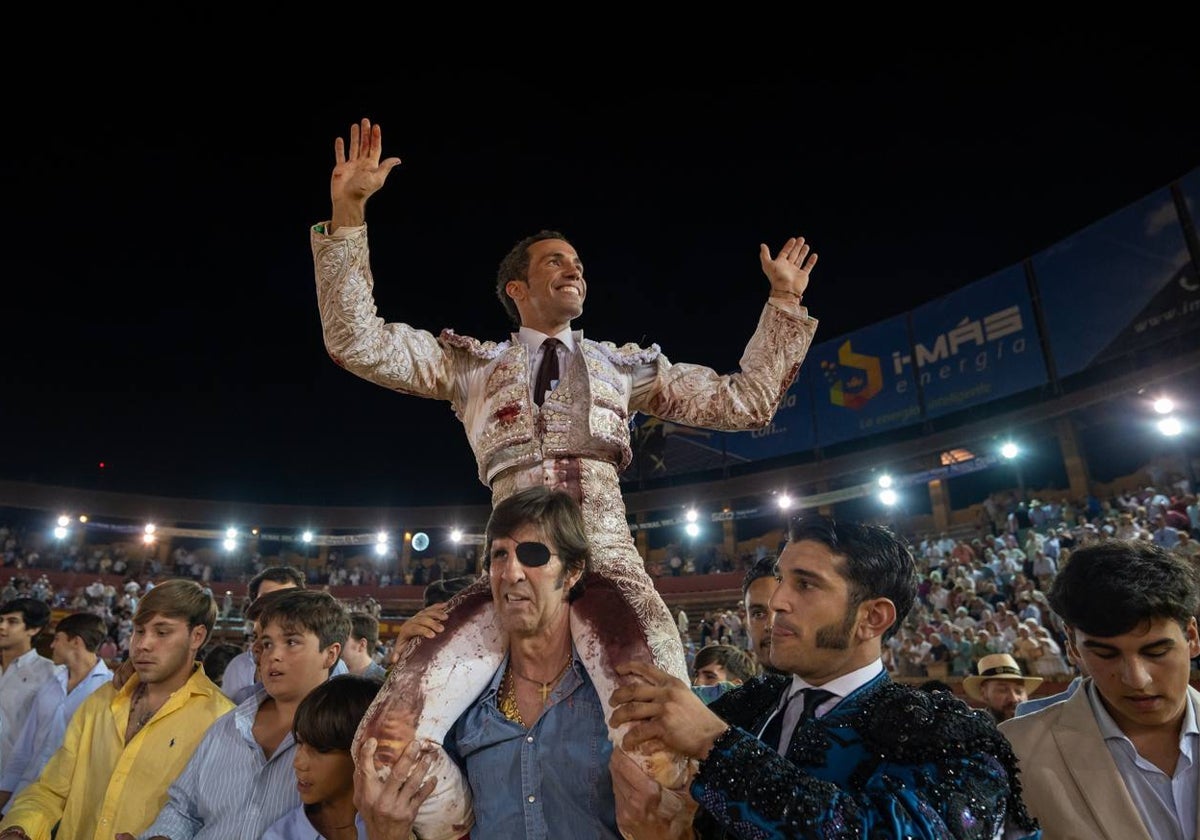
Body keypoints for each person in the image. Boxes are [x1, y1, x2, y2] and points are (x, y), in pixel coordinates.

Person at [312, 118, 820, 819]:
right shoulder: (472, 366)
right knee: (386, 748)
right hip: (509, 574)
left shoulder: (626, 367)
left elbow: (748, 399)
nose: (574, 268)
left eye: (578, 261)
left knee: (661, 750)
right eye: (556, 261)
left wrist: (785, 304)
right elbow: (355, 341)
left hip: (606, 560)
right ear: (516, 288)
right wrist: (349, 215)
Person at [608, 513, 1042, 839]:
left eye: (806, 584)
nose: (776, 601)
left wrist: (716, 745)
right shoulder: (744, 707)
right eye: (781, 580)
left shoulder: (949, 734)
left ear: (872, 618)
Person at [356, 485, 689, 839]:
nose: (511, 572)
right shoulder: (462, 702)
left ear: (572, 571)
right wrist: (406, 670)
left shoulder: (619, 695)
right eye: (499, 555)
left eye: (533, 554)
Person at [0, 580, 234, 840]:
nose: (142, 644)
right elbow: (51, 789)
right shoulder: (102, 700)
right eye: (139, 631)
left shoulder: (221, 720)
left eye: (162, 632)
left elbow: (217, 824)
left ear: (197, 636)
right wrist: (20, 829)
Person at [999, 539, 1200, 839]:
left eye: (1156, 652)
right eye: (1106, 654)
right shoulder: (1013, 753)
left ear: (1193, 637)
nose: (1137, 679)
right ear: (1072, 646)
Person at [138, 589, 352, 840]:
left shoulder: (349, 738)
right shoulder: (228, 725)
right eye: (267, 644)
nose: (274, 655)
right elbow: (183, 809)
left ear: (330, 653)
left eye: (292, 642)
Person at [0, 612, 112, 812]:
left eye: (57, 639)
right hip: (24, 795)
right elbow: (25, 747)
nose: (51, 645)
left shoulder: (109, 689)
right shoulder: (50, 684)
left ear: (75, 642)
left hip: (67, 805)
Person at [262, 674, 383, 840]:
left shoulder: (403, 825)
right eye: (300, 743)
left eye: (320, 749)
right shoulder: (282, 835)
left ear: (366, 751)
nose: (298, 763)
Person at [219, 565, 306, 700]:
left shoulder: (324, 664)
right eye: (267, 600)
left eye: (288, 600)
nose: (278, 608)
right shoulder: (238, 668)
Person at [0, 598, 56, 769]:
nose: (2, 626)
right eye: (1, 620)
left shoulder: (49, 674)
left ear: (33, 629)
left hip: (15, 777)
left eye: (12, 622)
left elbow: (47, 736)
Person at [962, 652, 1043, 723]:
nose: (1014, 699)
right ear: (984, 693)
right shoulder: (972, 731)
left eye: (1019, 691)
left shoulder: (1041, 729)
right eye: (1003, 690)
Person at [741, 553, 785, 677]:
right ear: (747, 626)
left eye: (781, 610)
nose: (770, 625)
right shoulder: (738, 696)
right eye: (758, 614)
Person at [340, 612, 388, 681]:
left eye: (343, 639)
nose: (337, 645)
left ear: (362, 645)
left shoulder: (384, 681)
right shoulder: (335, 672)